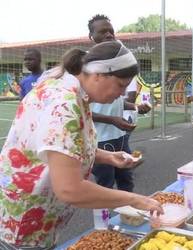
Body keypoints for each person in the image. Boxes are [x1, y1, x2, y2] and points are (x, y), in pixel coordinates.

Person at [0, 41, 162, 249]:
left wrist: (106, 156)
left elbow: (59, 147)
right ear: (98, 75)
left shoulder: (68, 89)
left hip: (36, 218)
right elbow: (70, 189)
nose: (122, 94)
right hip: (23, 225)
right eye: (121, 85)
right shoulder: (65, 105)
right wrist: (135, 200)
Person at [88, 14, 150, 192]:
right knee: (105, 185)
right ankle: (105, 220)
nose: (109, 35)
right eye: (102, 32)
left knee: (126, 181)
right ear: (91, 37)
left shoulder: (117, 64)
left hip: (120, 137)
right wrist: (112, 119)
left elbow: (116, 101)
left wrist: (136, 107)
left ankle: (127, 218)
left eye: (111, 31)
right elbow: (79, 112)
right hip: (99, 140)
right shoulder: (86, 69)